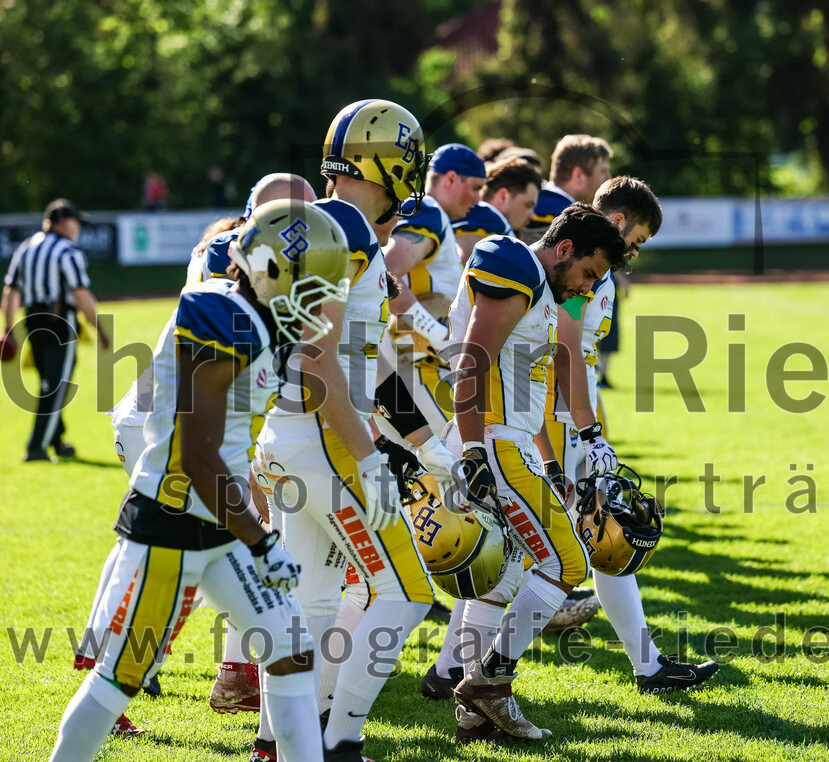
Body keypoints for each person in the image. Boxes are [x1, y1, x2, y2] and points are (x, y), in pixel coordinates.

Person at [49, 199, 350, 762]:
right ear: (273, 272)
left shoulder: (259, 321)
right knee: (119, 679)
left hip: (216, 523)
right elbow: (197, 455)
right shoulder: (220, 313)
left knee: (289, 651)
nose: (322, 300)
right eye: (314, 283)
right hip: (174, 525)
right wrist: (260, 539)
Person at [249, 98, 435, 762]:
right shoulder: (347, 229)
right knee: (409, 593)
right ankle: (340, 741)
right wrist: (372, 456)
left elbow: (361, 357)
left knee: (312, 602)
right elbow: (321, 357)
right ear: (387, 164)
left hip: (289, 429)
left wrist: (424, 440)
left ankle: (274, 744)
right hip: (322, 435)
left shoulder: (318, 224)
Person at [446, 203, 628, 741]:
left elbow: (533, 388)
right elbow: (473, 360)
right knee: (567, 562)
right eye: (589, 273)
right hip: (498, 442)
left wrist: (555, 458)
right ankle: (490, 683)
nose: (587, 287)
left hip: (516, 441)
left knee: (502, 577)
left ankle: (475, 716)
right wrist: (474, 449)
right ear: (565, 248)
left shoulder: (546, 294)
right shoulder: (518, 266)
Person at [541, 176, 718, 693]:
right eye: (636, 241)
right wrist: (587, 431)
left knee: (606, 541)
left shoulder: (593, 269)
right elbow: (567, 351)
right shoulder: (587, 273)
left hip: (566, 421)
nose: (634, 253)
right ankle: (463, 670)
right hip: (554, 424)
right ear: (617, 223)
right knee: (554, 550)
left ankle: (648, 666)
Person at [382, 143, 486, 436]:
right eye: (475, 187)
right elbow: (387, 273)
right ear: (451, 179)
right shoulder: (427, 210)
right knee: (453, 462)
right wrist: (440, 337)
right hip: (419, 364)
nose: (478, 199)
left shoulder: (431, 214)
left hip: (410, 361)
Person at [2, 199, 109, 462]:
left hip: (32, 321)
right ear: (63, 223)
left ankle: (57, 439)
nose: (79, 229)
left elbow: (11, 291)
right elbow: (81, 294)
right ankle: (36, 446)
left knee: (49, 382)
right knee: (57, 385)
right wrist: (100, 329)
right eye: (76, 223)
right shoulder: (68, 252)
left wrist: (7, 327)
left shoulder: (26, 247)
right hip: (59, 322)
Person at [521, 134, 613, 245]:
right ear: (578, 175)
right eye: (603, 172)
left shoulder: (527, 199)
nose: (609, 179)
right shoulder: (573, 218)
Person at [452, 158, 543, 262]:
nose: (532, 215)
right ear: (504, 196)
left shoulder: (459, 214)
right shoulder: (487, 222)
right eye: (528, 205)